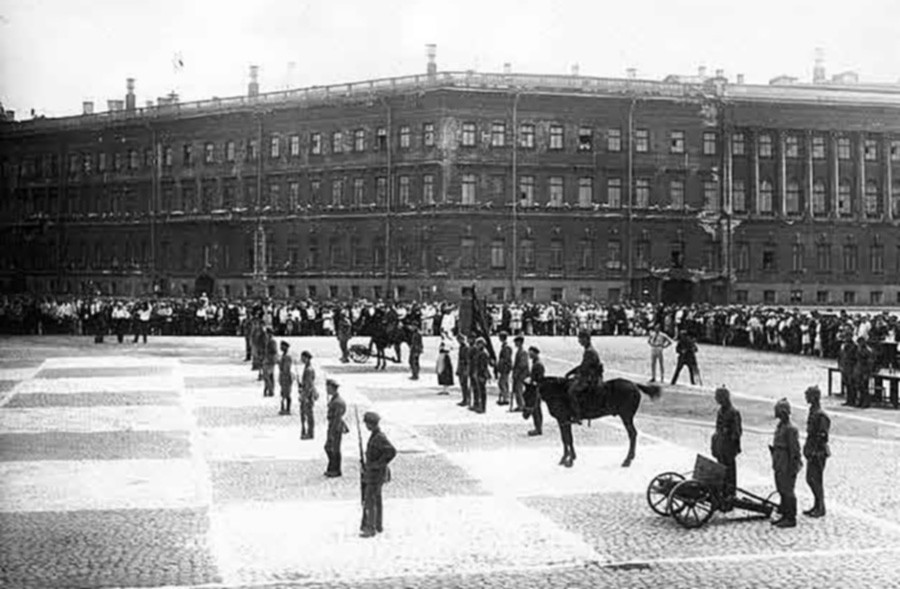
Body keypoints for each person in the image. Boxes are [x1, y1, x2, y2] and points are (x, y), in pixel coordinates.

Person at [360, 411, 397, 538]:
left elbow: (391, 451)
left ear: (371, 424)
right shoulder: (375, 435)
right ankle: (378, 525)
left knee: (370, 500)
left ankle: (370, 528)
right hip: (375, 473)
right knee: (376, 499)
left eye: (366, 423)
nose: (366, 426)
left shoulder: (379, 437)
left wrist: (377, 464)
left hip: (376, 474)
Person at [769, 398, 803, 528]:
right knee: (781, 488)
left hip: (787, 463)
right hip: (779, 461)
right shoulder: (781, 426)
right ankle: (784, 513)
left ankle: (790, 517)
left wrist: (793, 467)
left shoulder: (791, 429)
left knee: (788, 490)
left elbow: (795, 450)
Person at [564, 330, 603, 424]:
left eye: (581, 338)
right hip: (590, 375)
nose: (579, 341)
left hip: (592, 378)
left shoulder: (589, 352)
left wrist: (571, 373)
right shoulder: (589, 350)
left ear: (587, 339)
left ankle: (578, 415)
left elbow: (584, 367)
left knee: (572, 391)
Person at [803, 386, 831, 518]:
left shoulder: (820, 415)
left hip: (818, 452)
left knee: (815, 480)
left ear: (814, 397)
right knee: (811, 479)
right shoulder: (813, 411)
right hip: (812, 450)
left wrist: (814, 450)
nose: (806, 397)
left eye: (808, 395)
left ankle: (820, 507)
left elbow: (822, 436)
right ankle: (816, 505)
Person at [711, 386, 742, 499]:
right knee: (721, 472)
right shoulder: (721, 411)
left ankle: (730, 495)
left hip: (728, 448)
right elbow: (717, 428)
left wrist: (729, 437)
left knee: (729, 473)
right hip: (720, 447)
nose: (716, 399)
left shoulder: (733, 412)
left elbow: (737, 432)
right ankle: (723, 492)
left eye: (717, 397)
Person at [324, 379, 347, 478]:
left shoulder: (338, 402)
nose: (326, 390)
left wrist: (331, 434)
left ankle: (335, 469)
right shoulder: (334, 399)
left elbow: (337, 418)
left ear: (332, 388)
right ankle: (332, 467)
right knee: (331, 448)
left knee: (334, 448)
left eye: (328, 388)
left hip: (335, 427)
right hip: (333, 425)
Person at [299, 351, 318, 439]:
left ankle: (310, 433)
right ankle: (308, 431)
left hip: (308, 395)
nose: (301, 359)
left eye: (303, 358)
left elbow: (309, 385)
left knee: (309, 414)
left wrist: (305, 396)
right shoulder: (307, 368)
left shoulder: (308, 370)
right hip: (306, 393)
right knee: (306, 414)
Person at [526, 345, 544, 436]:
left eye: (530, 352)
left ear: (535, 353)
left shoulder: (538, 364)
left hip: (536, 389)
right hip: (535, 388)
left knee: (536, 409)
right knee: (536, 409)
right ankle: (538, 428)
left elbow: (539, 379)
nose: (529, 354)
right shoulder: (535, 362)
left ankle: (538, 429)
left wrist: (532, 382)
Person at [470, 337, 491, 413]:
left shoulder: (483, 353)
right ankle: (479, 405)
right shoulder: (479, 352)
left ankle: (483, 407)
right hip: (478, 373)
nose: (477, 345)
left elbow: (483, 366)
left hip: (481, 374)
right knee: (479, 390)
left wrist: (482, 375)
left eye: (478, 344)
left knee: (482, 391)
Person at [854, 336, 874, 408]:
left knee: (865, 387)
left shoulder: (868, 350)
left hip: (865, 370)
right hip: (859, 370)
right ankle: (860, 401)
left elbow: (870, 363)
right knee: (859, 386)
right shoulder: (859, 349)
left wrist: (868, 373)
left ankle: (866, 402)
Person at [838, 332, 857, 406]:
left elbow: (854, 357)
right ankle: (848, 399)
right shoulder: (843, 345)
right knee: (846, 384)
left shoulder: (854, 346)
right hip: (844, 366)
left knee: (851, 384)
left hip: (850, 367)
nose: (846, 338)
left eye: (848, 336)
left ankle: (853, 400)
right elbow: (840, 355)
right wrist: (839, 364)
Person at [511, 334, 528, 412]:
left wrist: (516, 372)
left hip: (521, 374)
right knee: (517, 390)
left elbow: (522, 364)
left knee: (519, 390)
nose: (515, 344)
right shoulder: (519, 351)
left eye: (516, 342)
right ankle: (519, 405)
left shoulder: (523, 352)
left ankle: (522, 405)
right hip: (518, 373)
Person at [495, 331, 512, 406]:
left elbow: (505, 359)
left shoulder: (506, 347)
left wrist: (501, 366)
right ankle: (505, 397)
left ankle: (505, 398)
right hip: (504, 367)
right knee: (504, 383)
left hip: (505, 368)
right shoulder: (505, 346)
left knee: (502, 383)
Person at [278, 341, 294, 415]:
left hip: (286, 377)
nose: (280, 347)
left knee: (287, 394)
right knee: (283, 393)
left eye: (282, 346)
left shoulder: (287, 356)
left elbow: (286, 368)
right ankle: (283, 408)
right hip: (283, 376)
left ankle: (287, 409)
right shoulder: (283, 355)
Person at [261, 327, 278, 397]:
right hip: (268, 360)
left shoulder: (272, 341)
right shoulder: (267, 341)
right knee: (269, 376)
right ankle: (269, 389)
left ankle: (270, 390)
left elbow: (274, 351)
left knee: (267, 376)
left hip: (269, 361)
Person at [456, 334, 471, 408]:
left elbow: (467, 360)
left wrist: (466, 370)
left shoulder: (465, 348)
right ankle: (465, 399)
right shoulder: (461, 347)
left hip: (464, 368)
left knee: (465, 385)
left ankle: (467, 399)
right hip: (461, 367)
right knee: (462, 385)